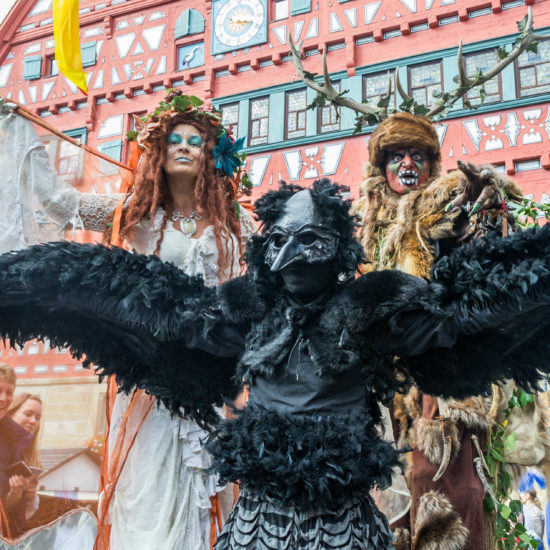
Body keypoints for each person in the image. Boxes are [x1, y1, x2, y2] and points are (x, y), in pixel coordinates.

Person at [1, 179, 550, 549]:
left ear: (337, 247)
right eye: (280, 241)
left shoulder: (373, 305)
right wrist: (48, 286)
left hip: (343, 517)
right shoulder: (246, 308)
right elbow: (166, 317)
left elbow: (456, 318)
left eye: (309, 240)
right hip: (258, 517)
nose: (290, 256)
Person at [0, 90, 256, 549]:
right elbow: (61, 203)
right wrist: (21, 131)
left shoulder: (237, 229)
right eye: (173, 139)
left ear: (211, 153)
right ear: (158, 152)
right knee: (149, 495)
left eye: (194, 141)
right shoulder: (133, 217)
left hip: (216, 385)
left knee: (215, 490)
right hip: (149, 387)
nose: (183, 146)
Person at [351, 111, 525, 550]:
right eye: (396, 156)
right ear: (380, 166)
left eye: (417, 156)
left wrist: (486, 205)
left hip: (441, 377)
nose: (407, 165)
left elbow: (486, 254)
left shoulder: (446, 205)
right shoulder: (360, 221)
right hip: (377, 383)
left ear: (432, 164)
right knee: (385, 502)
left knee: (447, 487)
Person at [0, 365, 34, 539]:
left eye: (9, 392)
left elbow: (6, 509)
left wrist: (16, 493)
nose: (3, 398)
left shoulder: (14, 440)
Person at [5, 394, 43, 538]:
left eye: (38, 418)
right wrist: (13, 495)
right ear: (11, 413)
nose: (33, 421)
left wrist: (30, 499)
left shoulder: (30, 457)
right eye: (28, 414)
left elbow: (23, 516)